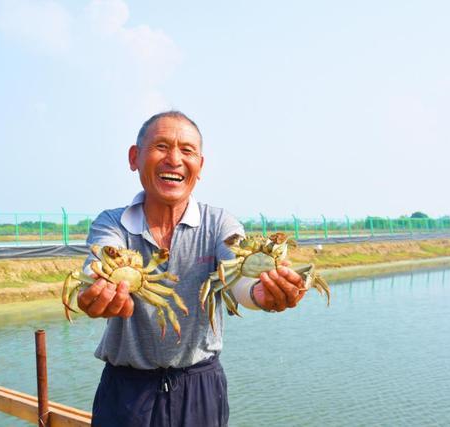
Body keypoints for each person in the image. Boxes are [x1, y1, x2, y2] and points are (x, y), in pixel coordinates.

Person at [77, 111, 306, 427]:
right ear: (134, 157)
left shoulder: (218, 224)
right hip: (126, 391)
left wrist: (261, 294)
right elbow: (98, 261)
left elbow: (237, 275)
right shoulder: (113, 224)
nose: (174, 159)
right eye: (160, 146)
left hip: (199, 387)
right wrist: (93, 291)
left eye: (187, 150)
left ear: (200, 166)